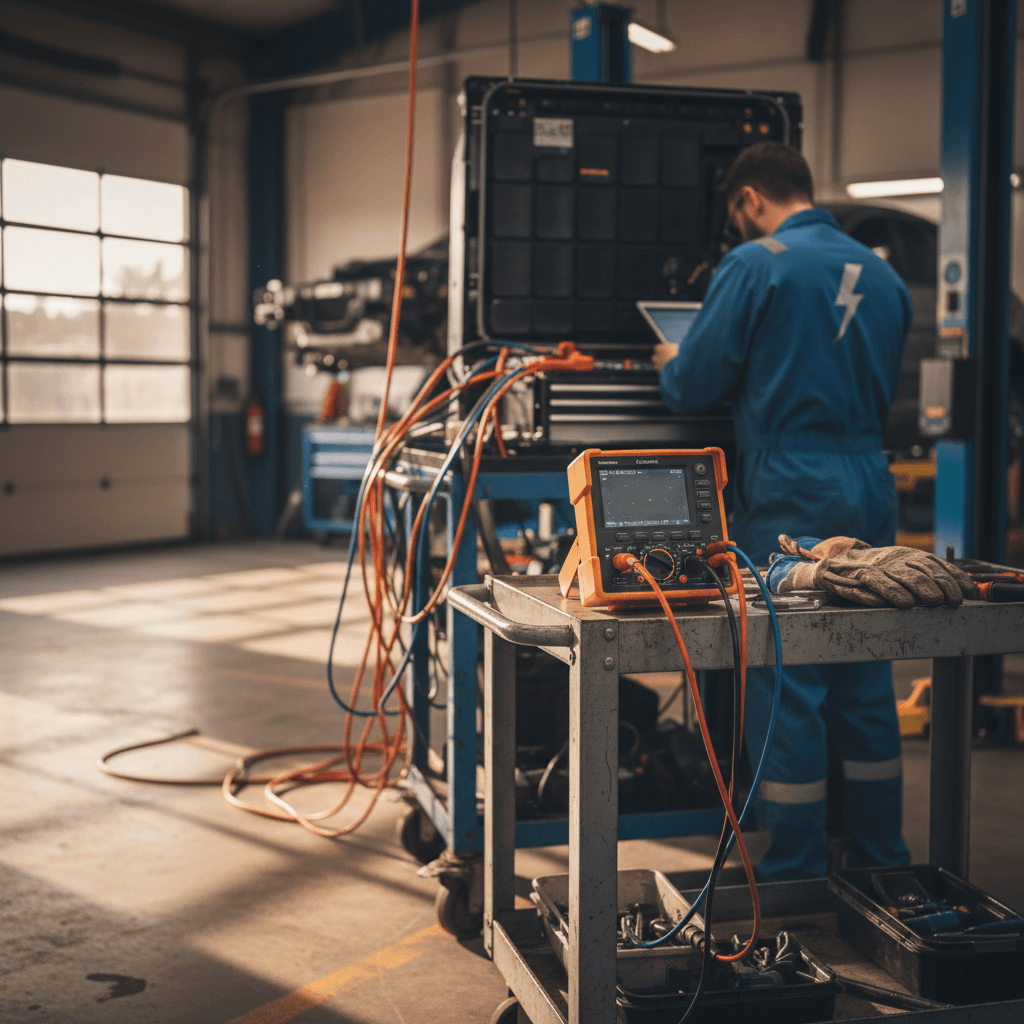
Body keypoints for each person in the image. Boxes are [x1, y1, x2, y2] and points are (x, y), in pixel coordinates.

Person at [652, 141, 913, 881]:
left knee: (787, 672)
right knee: (865, 668)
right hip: (868, 473)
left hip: (791, 484)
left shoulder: (756, 263)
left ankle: (794, 865)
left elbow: (695, 382)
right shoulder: (887, 277)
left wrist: (670, 364)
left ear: (749, 201)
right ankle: (881, 859)